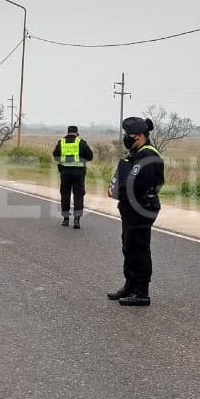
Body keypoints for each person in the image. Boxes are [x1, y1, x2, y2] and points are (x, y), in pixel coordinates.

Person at [106, 116, 164, 306]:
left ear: (139, 136)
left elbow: (135, 184)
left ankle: (141, 291)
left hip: (141, 208)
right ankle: (130, 285)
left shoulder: (148, 156)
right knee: (129, 247)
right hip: (132, 208)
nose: (126, 139)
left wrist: (118, 191)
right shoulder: (137, 153)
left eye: (128, 135)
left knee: (139, 249)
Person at [51, 125, 94, 228]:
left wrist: (61, 162)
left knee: (65, 195)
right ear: (76, 132)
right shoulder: (81, 142)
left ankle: (65, 220)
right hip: (78, 173)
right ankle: (76, 220)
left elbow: (55, 155)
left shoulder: (61, 142)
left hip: (65, 172)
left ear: (68, 132)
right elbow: (90, 156)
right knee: (78, 196)